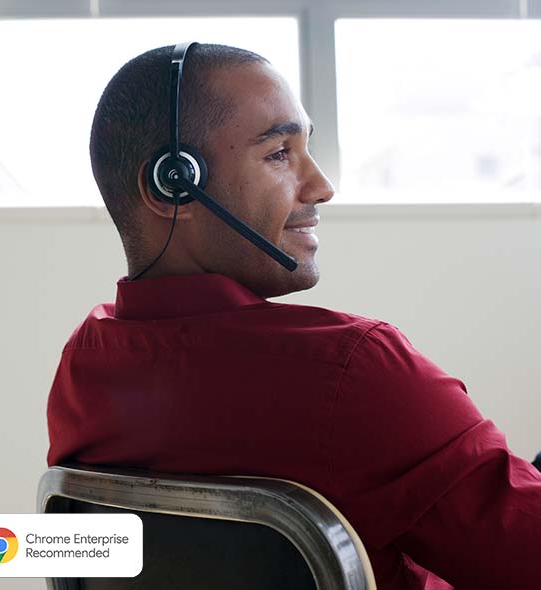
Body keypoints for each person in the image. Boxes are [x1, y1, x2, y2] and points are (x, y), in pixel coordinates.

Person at [47, 43, 541, 590]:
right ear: (172, 185)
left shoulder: (84, 367)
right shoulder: (354, 371)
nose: (321, 187)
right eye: (280, 153)